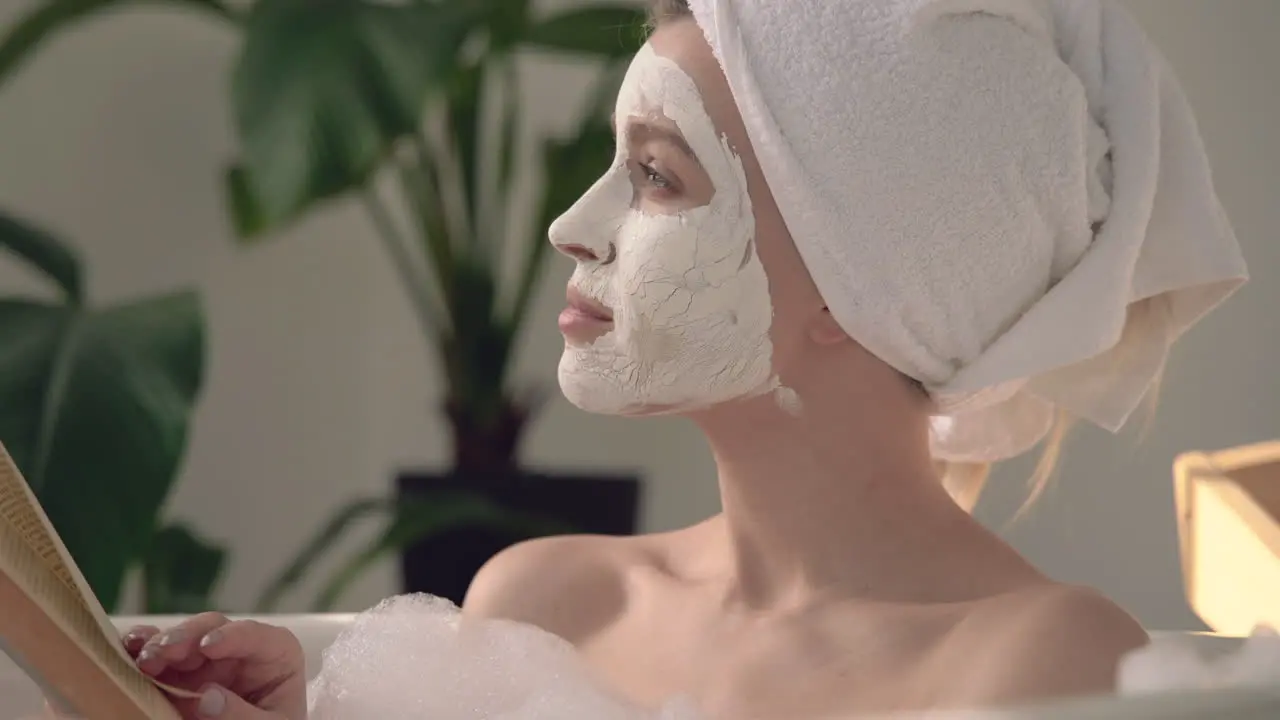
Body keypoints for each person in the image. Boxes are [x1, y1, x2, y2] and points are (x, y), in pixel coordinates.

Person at [51, 0, 1246, 718]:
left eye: (658, 175)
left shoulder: (1039, 661)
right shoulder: (548, 603)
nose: (575, 225)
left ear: (855, 286)